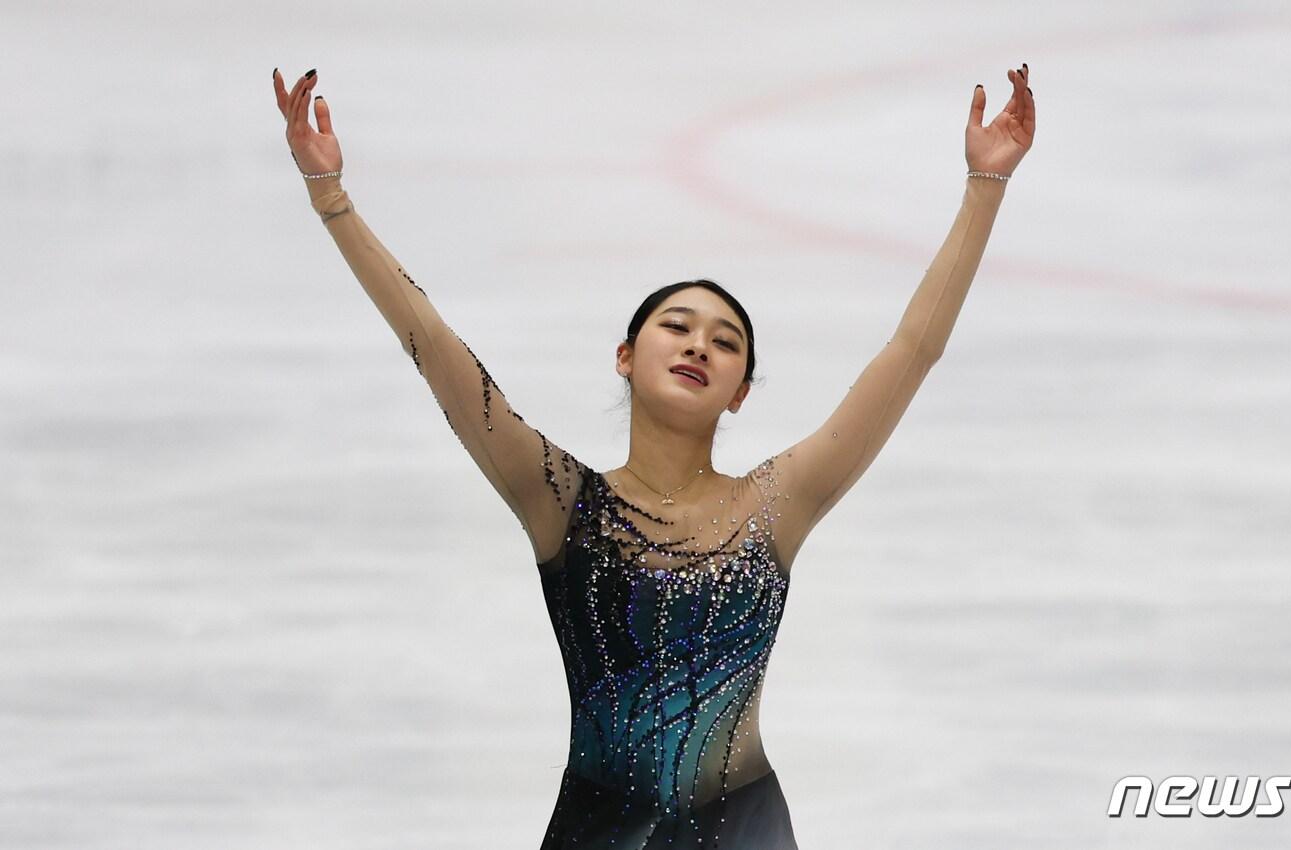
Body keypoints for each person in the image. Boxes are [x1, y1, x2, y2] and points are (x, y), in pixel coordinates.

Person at [272, 60, 1034, 849]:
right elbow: (430, 341)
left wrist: (985, 184)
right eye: (677, 326)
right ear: (625, 356)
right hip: (599, 829)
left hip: (745, 829)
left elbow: (911, 350)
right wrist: (331, 196)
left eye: (726, 340)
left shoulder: (776, 504)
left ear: (740, 390)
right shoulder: (560, 500)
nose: (699, 343)